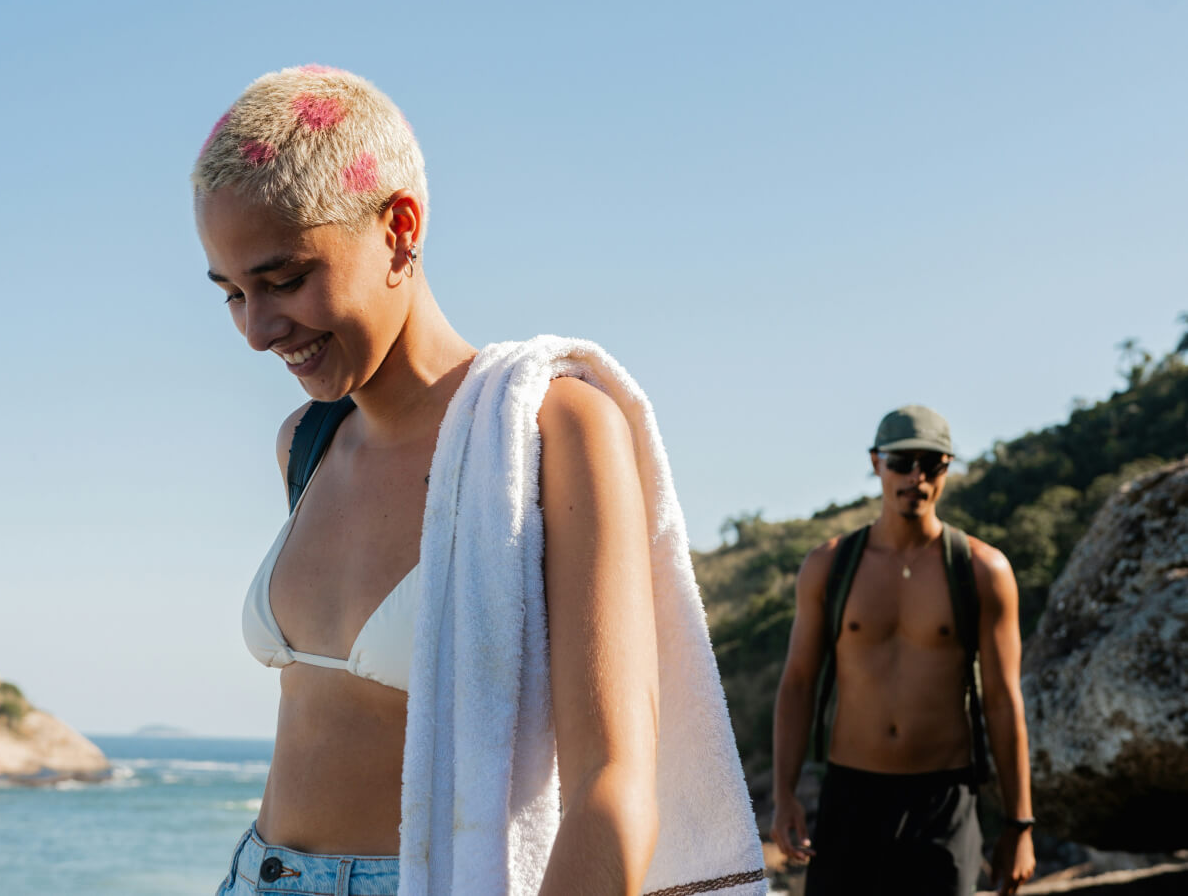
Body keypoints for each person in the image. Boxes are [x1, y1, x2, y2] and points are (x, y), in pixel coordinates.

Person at [191, 67, 764, 896]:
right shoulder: (305, 443)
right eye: (232, 293)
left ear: (399, 228)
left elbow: (612, 783)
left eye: (284, 281)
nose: (256, 330)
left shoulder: (547, 431)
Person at [769, 406, 1037, 896]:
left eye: (931, 464)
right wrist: (784, 794)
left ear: (947, 468)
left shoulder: (982, 571)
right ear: (876, 463)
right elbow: (799, 684)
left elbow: (1003, 701)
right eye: (901, 463)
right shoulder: (829, 566)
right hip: (851, 798)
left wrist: (1019, 825)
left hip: (943, 803)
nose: (917, 477)